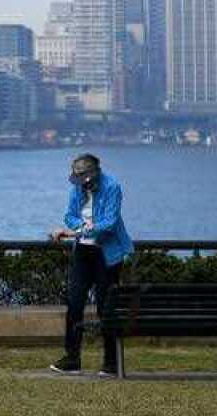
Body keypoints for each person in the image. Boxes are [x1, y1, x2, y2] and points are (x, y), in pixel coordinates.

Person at [48, 153, 134, 376]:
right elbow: (69, 215)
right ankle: (72, 358)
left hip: (107, 253)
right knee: (74, 303)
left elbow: (109, 223)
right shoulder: (77, 189)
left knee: (106, 307)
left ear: (93, 173)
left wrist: (75, 231)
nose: (78, 182)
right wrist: (78, 228)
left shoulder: (112, 187)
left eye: (81, 177)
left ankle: (111, 361)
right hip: (83, 252)